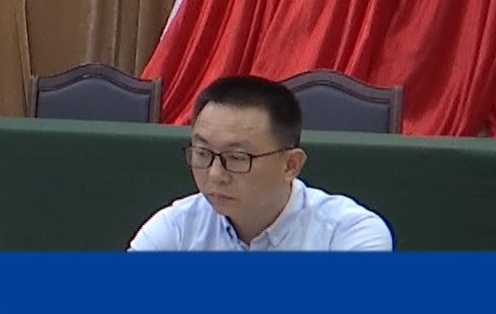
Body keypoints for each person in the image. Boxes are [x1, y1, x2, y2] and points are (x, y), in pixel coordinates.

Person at [129, 75, 392, 251]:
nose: (216, 174)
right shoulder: (175, 228)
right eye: (202, 153)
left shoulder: (348, 234)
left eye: (237, 158)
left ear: (291, 165)